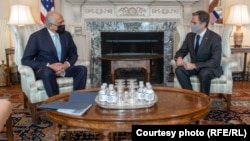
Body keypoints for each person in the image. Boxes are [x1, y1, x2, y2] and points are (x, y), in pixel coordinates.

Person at [21, 11, 87, 97]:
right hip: (46, 69)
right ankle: (56, 103)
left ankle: (77, 100)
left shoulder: (66, 35)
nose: (63, 24)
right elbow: (26, 60)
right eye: (60, 23)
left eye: (63, 21)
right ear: (50, 25)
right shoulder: (36, 37)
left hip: (63, 68)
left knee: (82, 69)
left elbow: (74, 54)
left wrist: (66, 65)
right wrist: (49, 66)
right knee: (47, 73)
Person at [174, 10, 223, 95]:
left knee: (204, 73)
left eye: (194, 23)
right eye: (191, 22)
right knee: (179, 70)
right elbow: (182, 51)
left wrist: (195, 65)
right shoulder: (190, 36)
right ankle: (191, 97)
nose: (191, 25)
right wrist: (179, 57)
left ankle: (204, 100)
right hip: (194, 67)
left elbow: (215, 61)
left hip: (209, 67)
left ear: (203, 24)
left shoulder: (215, 38)